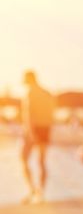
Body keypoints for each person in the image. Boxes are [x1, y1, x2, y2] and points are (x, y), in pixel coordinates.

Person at [19, 70, 56, 204]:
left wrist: (31, 132)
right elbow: (52, 115)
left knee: (23, 158)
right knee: (41, 161)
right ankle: (41, 193)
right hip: (45, 129)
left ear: (29, 79)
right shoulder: (47, 93)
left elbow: (28, 114)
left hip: (33, 129)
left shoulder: (30, 93)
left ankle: (32, 190)